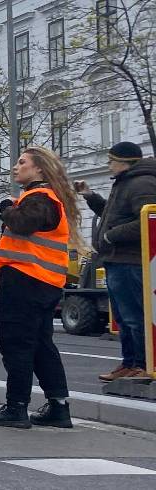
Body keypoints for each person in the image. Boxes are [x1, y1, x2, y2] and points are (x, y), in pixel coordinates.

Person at [0, 146, 81, 429]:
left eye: (22, 162)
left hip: (25, 283)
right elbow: (30, 240)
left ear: (39, 169)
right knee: (39, 345)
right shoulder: (46, 198)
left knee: (15, 344)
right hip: (42, 282)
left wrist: (6, 208)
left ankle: (16, 407)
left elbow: (23, 224)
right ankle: (58, 407)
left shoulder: (40, 197)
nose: (16, 167)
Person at [76, 142, 152, 382]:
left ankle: (140, 363)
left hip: (130, 261)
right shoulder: (125, 183)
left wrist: (110, 236)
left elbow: (148, 218)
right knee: (123, 316)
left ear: (123, 161)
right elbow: (110, 214)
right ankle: (129, 363)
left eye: (111, 161)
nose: (108, 165)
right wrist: (90, 196)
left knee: (133, 316)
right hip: (117, 259)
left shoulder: (141, 183)